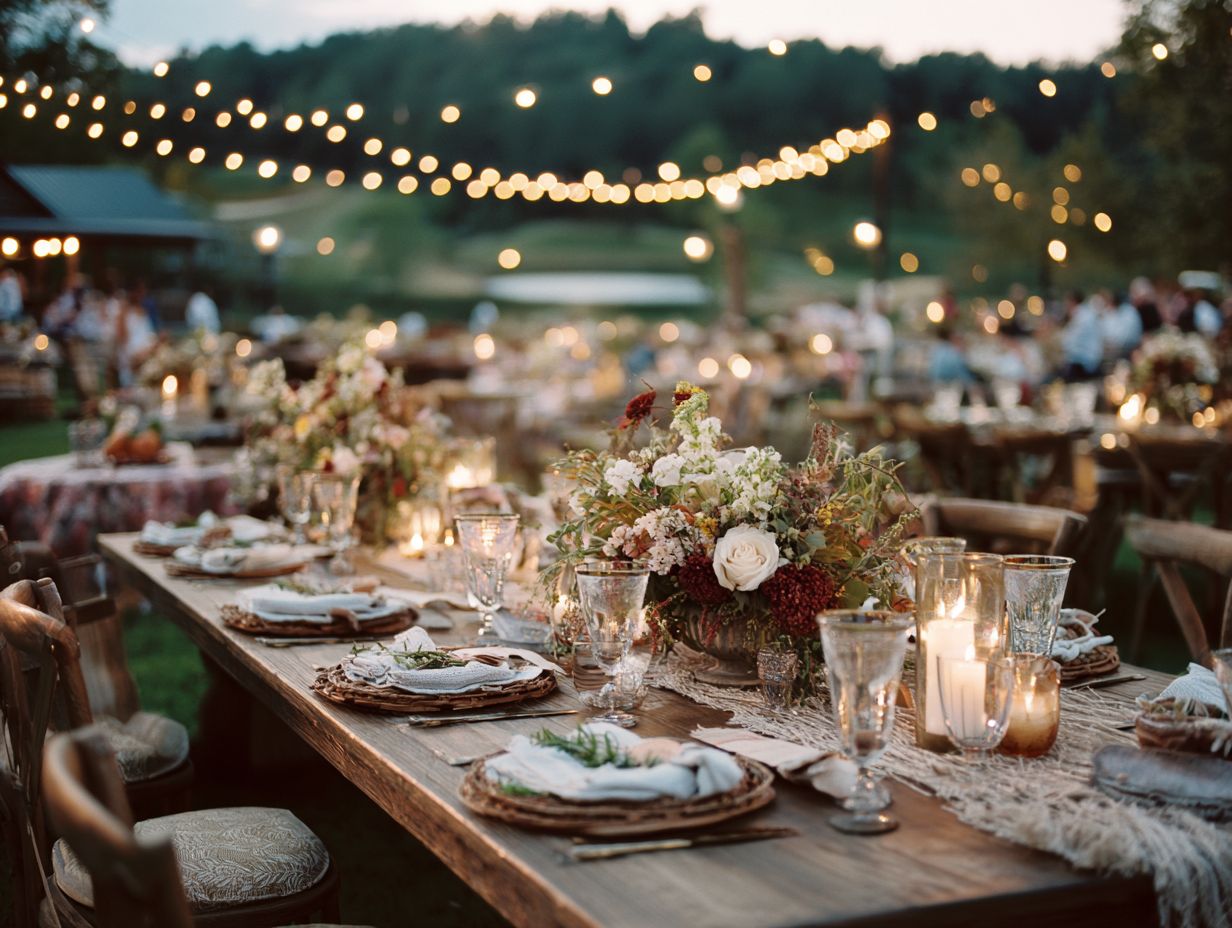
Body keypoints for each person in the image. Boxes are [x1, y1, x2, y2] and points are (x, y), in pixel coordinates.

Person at [1058, 290, 1102, 380]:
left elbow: (1069, 343)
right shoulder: (1085, 314)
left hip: (1084, 364)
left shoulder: (1081, 317)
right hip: (1088, 361)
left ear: (1072, 302)